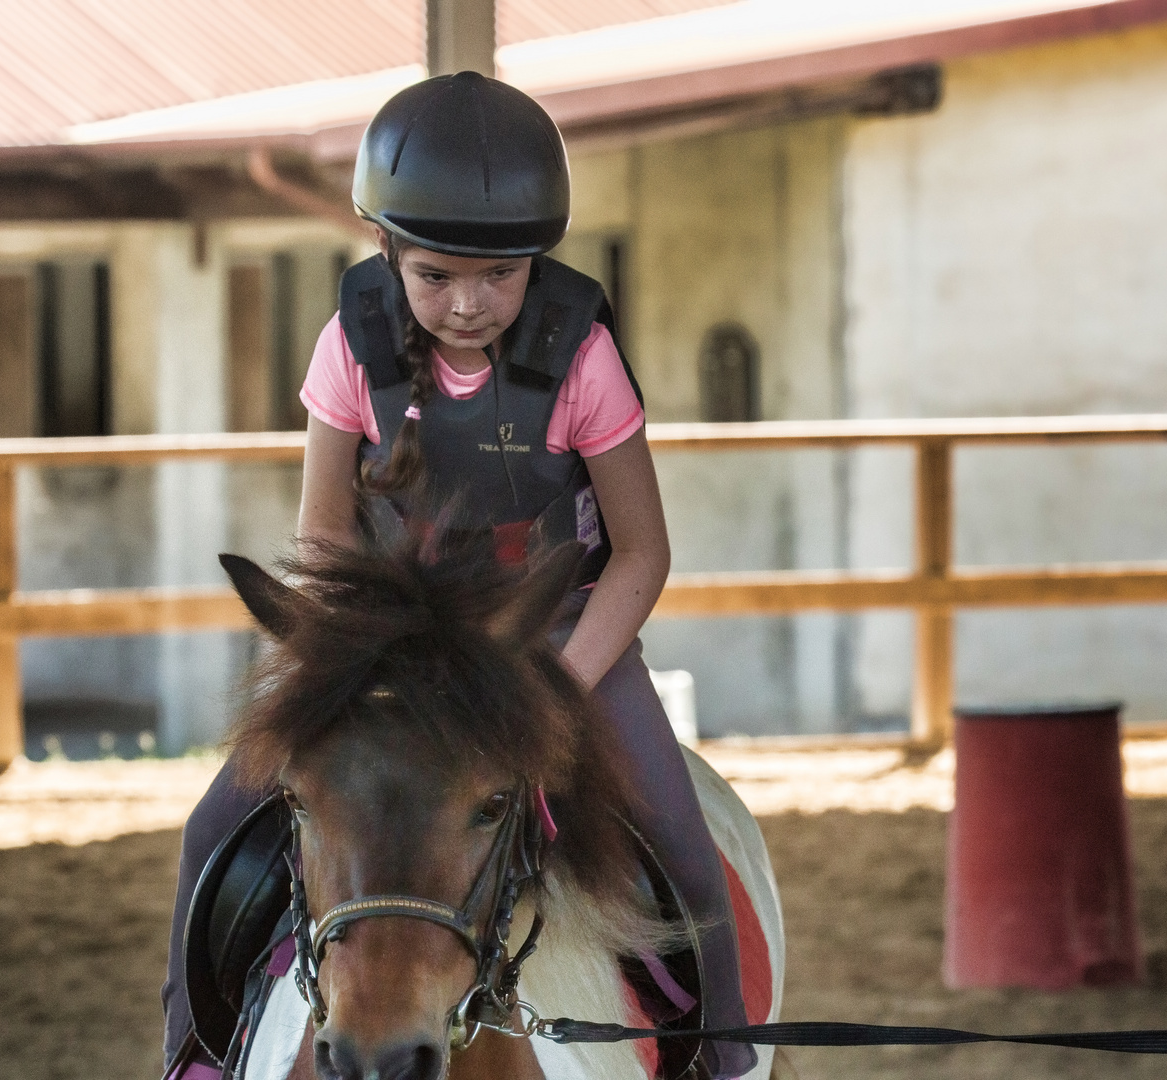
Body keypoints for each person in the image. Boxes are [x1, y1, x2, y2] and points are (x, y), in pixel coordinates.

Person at [162, 71, 758, 1080]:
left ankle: (728, 1058)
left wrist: (555, 689)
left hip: (564, 639)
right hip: (391, 639)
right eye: (436, 276)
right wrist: (343, 660)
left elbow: (642, 552)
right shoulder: (346, 349)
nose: (469, 304)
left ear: (539, 262)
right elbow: (325, 533)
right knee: (213, 826)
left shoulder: (586, 362)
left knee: (682, 846)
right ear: (387, 250)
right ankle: (194, 1056)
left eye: (500, 276)